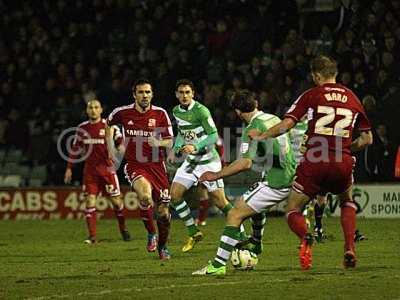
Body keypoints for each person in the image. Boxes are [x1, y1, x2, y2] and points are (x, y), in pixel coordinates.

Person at [249, 55, 373, 270]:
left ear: (316, 75)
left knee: (293, 209)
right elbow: (367, 139)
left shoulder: (311, 95)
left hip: (315, 160)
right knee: (346, 201)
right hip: (342, 161)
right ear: (335, 74)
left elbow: (286, 125)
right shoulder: (353, 97)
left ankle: (306, 236)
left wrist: (262, 136)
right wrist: (344, 149)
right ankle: (350, 247)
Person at [192, 90, 297, 275]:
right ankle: (256, 244)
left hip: (277, 182)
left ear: (238, 111)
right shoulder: (272, 118)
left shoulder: (251, 128)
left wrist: (215, 175)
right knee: (254, 207)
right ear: (255, 103)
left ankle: (218, 265)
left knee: (234, 214)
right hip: (290, 175)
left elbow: (245, 163)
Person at [168, 79, 243, 253]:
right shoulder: (176, 111)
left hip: (208, 161)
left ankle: (241, 233)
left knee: (220, 201)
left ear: (193, 93)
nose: (184, 95)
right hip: (191, 162)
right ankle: (193, 233)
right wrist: (177, 147)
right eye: (181, 92)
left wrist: (195, 146)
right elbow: (182, 133)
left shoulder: (201, 110)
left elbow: (213, 135)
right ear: (176, 94)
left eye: (188, 92)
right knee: (175, 194)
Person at [106, 78, 173, 260]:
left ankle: (163, 245)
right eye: (141, 92)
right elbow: (108, 124)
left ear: (152, 94)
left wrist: (158, 141)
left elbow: (170, 140)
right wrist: (110, 149)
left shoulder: (160, 114)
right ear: (134, 94)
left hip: (157, 166)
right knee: (144, 196)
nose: (145, 95)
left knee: (163, 214)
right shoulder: (123, 112)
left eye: (148, 92)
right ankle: (151, 232)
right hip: (135, 164)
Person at [64, 99, 130, 244]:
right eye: (90, 108)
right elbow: (75, 150)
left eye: (96, 107)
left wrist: (120, 151)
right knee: (89, 202)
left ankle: (123, 229)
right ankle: (93, 236)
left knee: (117, 204)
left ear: (101, 110)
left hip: (107, 171)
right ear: (87, 111)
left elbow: (120, 143)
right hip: (90, 173)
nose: (93, 110)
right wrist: (69, 168)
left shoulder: (109, 126)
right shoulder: (82, 128)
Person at [195, 136, 225, 226]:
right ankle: (201, 219)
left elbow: (221, 151)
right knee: (204, 193)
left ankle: (201, 219)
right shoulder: (208, 137)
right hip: (205, 167)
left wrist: (222, 166)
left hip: (212, 168)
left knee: (216, 197)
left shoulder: (214, 137)